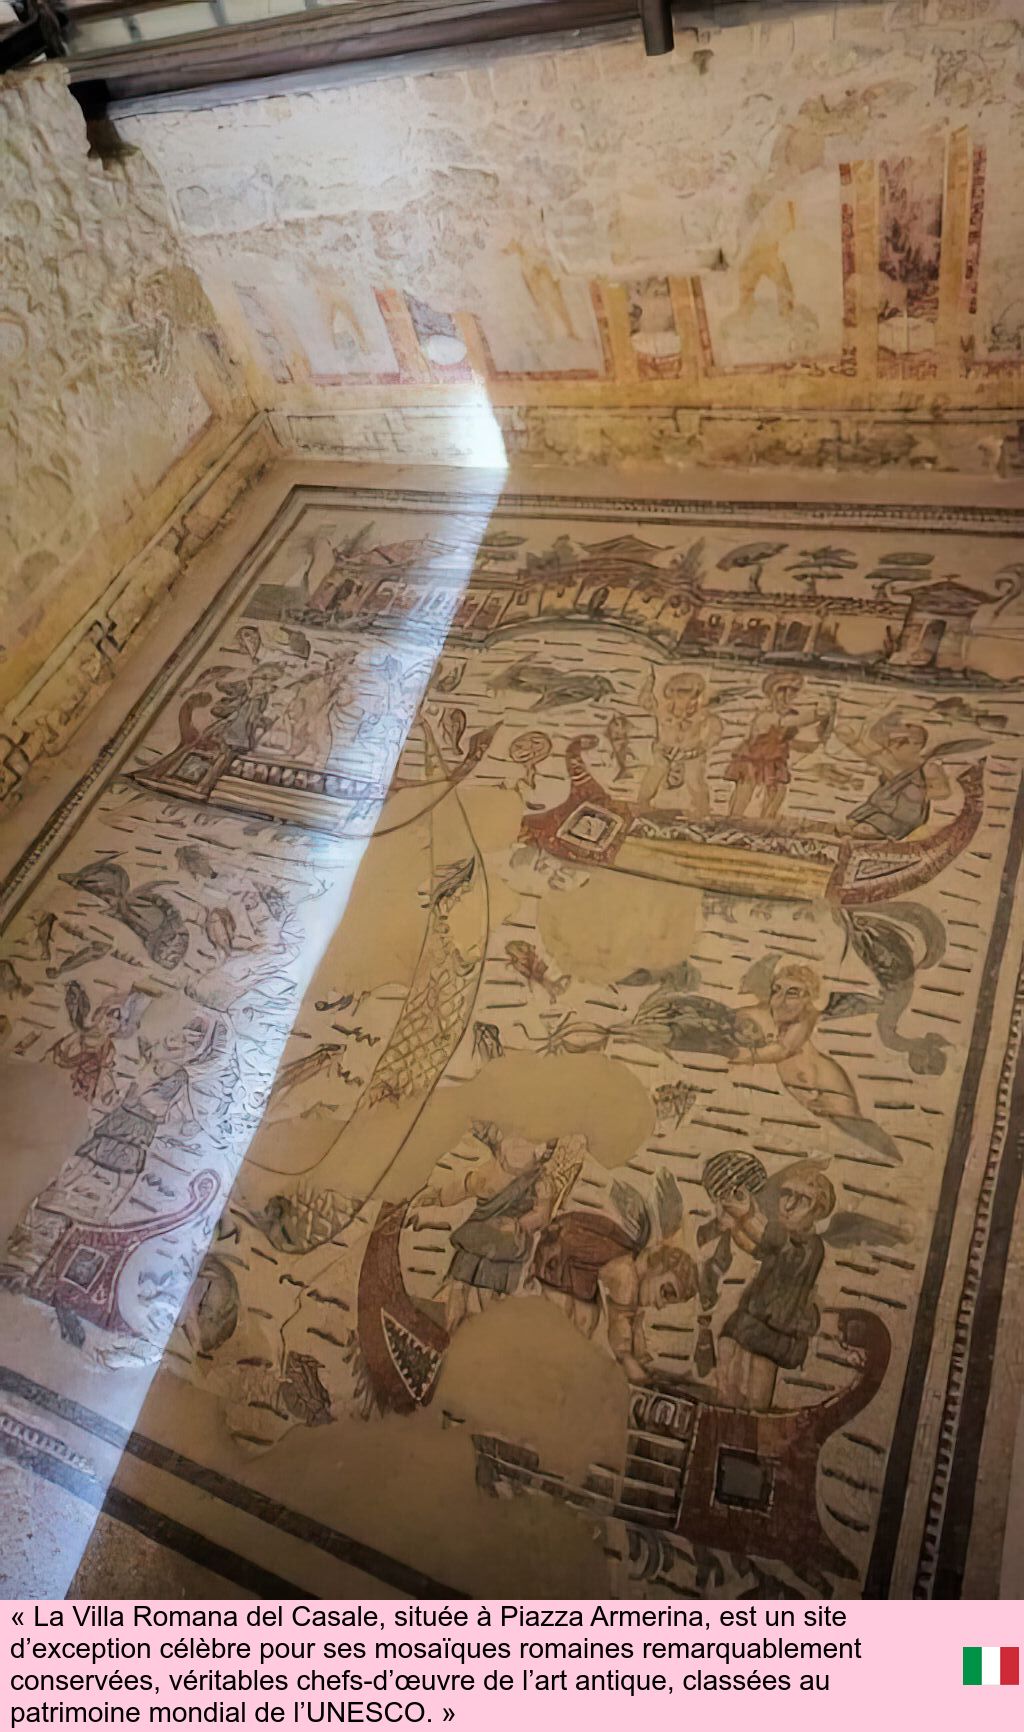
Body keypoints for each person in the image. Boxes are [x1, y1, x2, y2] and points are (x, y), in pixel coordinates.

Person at [414, 1122, 558, 1334]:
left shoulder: (541, 1182)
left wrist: (517, 1226)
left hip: (507, 1242)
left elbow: (542, 1216)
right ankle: (451, 1330)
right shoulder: (491, 1173)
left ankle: (469, 1331)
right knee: (460, 1284)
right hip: (479, 1236)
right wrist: (436, 1197)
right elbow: (465, 1187)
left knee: (476, 1288)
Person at [715, 1161, 835, 1410]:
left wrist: (746, 1213)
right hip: (753, 1314)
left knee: (758, 1380)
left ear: (818, 1211)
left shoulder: (808, 1245)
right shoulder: (784, 1237)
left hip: (775, 1325)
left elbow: (763, 1234)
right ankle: (724, 1410)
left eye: (803, 1200)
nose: (788, 1205)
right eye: (786, 1194)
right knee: (727, 1349)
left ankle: (752, 1422)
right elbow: (755, 1246)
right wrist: (734, 1226)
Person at [533, 1207, 696, 1383]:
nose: (661, 1304)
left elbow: (631, 1332)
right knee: (584, 1321)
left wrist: (639, 1352)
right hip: (554, 1263)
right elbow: (620, 1341)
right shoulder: (626, 1274)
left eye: (669, 1301)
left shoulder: (628, 1267)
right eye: (666, 1292)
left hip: (562, 1266)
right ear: (657, 1267)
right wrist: (638, 1375)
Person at [724, 672, 830, 821]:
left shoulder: (787, 721)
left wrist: (819, 737)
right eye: (783, 692)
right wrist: (817, 714)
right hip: (753, 760)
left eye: (793, 692)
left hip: (773, 761)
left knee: (778, 790)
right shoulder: (767, 717)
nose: (788, 697)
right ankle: (734, 817)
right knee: (746, 787)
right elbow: (791, 722)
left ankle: (767, 820)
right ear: (774, 695)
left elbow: (793, 743)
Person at [835, 712, 950, 839]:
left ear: (917, 745)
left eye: (899, 742)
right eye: (891, 742)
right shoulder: (895, 763)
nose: (891, 747)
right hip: (880, 807)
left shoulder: (927, 767)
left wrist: (923, 792)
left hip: (901, 817)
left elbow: (943, 791)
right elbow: (872, 756)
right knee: (849, 823)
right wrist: (852, 741)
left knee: (865, 829)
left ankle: (865, 835)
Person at [640, 671, 722, 816]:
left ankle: (702, 812)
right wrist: (648, 686)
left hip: (691, 754)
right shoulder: (663, 711)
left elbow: (716, 729)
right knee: (655, 773)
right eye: (688, 698)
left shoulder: (701, 715)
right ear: (673, 696)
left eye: (696, 698)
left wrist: (703, 747)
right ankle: (642, 803)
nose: (692, 703)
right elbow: (646, 702)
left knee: (695, 781)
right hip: (665, 752)